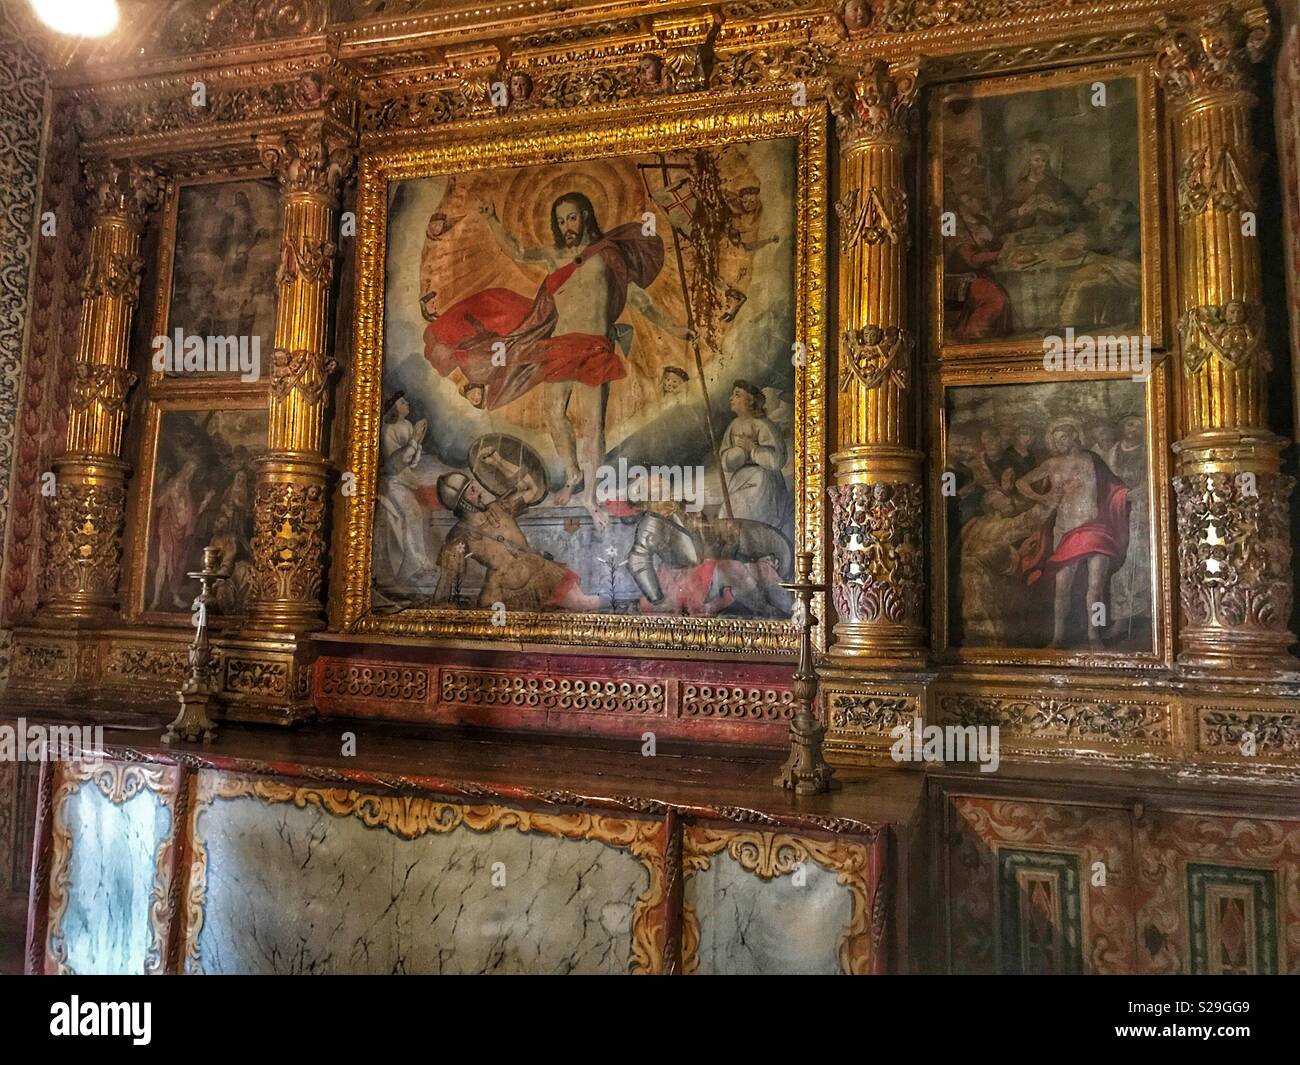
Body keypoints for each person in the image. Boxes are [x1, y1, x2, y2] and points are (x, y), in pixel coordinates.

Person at [423, 191, 691, 530]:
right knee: (553, 414)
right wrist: (492, 217)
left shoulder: (607, 256)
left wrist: (676, 328)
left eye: (572, 218)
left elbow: (639, 298)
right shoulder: (555, 257)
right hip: (560, 344)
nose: (567, 226)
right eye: (561, 220)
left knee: (593, 426)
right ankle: (573, 472)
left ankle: (589, 495)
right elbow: (518, 251)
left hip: (594, 345)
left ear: (586, 217)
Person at [432, 446, 602, 611]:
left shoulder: (500, 507)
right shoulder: (459, 535)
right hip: (503, 593)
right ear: (462, 503)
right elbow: (447, 579)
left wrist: (497, 462)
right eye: (471, 491)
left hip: (540, 571)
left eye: (473, 486)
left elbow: (532, 488)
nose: (479, 492)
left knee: (585, 603)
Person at [1015, 417, 1130, 650]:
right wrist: (1045, 497)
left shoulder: (1092, 459)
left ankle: (1093, 635)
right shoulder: (1051, 464)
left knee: (1096, 585)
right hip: (1066, 529)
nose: (1060, 442)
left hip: (1095, 527)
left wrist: (1124, 495)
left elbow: (1113, 485)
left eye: (1064, 437)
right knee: (1062, 588)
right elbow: (1021, 483)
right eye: (1056, 439)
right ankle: (1058, 637)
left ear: (1074, 435)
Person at [373, 392, 438, 592]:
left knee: (417, 515)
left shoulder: (408, 426)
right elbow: (395, 464)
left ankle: (419, 563)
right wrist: (415, 440)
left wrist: (418, 439)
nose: (407, 403)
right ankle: (414, 565)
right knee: (412, 515)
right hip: (393, 482)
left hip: (406, 481)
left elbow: (412, 461)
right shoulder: (388, 430)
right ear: (393, 407)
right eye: (402, 402)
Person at [719, 380, 789, 532]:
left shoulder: (762, 425)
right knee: (729, 515)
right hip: (739, 480)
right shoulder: (733, 425)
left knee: (750, 519)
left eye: (737, 395)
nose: (731, 399)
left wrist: (753, 449)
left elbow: (777, 460)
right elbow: (724, 460)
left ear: (750, 400)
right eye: (732, 395)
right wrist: (737, 454)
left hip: (761, 479)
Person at [152, 456, 214, 611]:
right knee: (164, 562)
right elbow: (159, 502)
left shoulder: (187, 488)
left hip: (181, 532)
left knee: (177, 565)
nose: (190, 473)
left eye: (193, 471)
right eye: (189, 469)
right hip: (169, 527)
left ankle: (173, 596)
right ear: (184, 468)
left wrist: (206, 500)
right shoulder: (174, 484)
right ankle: (156, 599)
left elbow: (193, 513)